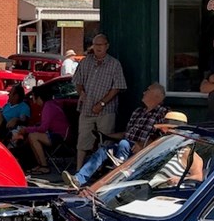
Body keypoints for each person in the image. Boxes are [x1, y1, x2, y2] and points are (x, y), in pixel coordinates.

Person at [64, 85, 172, 188]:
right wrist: (106, 136)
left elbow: (164, 135)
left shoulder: (163, 112)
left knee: (123, 143)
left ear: (156, 96)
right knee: (103, 150)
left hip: (144, 151)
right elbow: (127, 133)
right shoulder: (138, 111)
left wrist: (144, 145)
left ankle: (118, 180)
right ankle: (78, 179)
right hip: (125, 146)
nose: (144, 92)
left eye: (147, 90)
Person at [72, 33, 126, 169]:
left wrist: (102, 103)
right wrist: (81, 92)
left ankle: (100, 170)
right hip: (87, 108)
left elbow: (118, 87)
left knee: (106, 140)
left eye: (101, 45)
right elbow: (77, 80)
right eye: (96, 44)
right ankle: (79, 170)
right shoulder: (85, 61)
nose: (98, 47)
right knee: (83, 140)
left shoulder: (114, 64)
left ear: (107, 46)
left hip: (106, 109)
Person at [16, 85, 70, 175]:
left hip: (60, 136)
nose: (32, 99)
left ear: (38, 97)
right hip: (56, 133)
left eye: (33, 96)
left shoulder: (48, 107)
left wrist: (27, 129)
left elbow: (43, 128)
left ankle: (44, 166)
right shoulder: (49, 105)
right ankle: (39, 164)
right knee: (32, 136)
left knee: (33, 136)